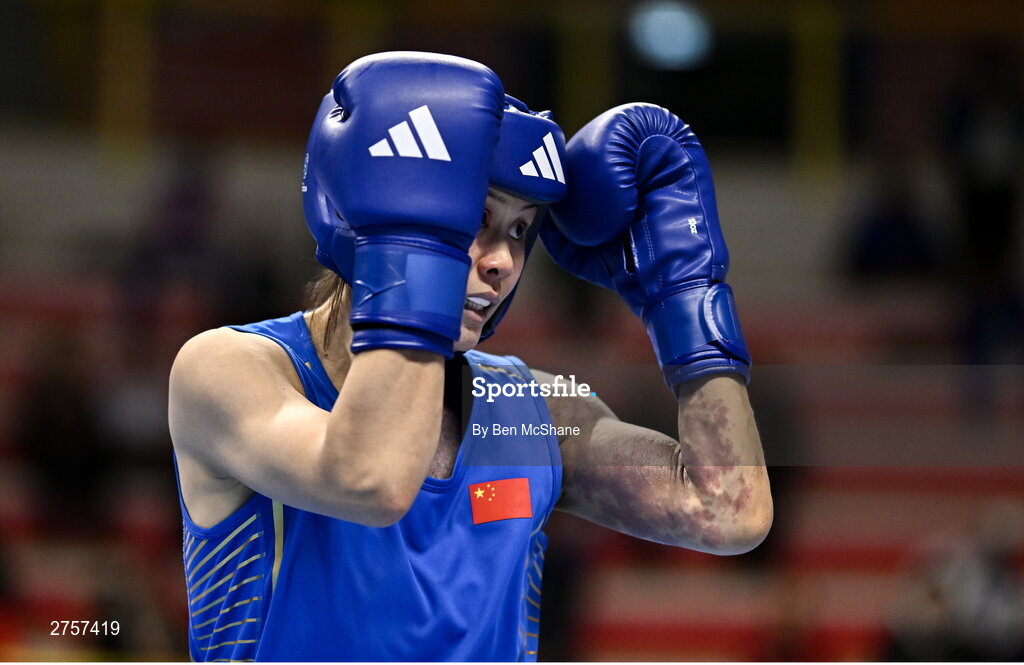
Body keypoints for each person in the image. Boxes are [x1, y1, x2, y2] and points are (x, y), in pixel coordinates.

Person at [168, 51, 772, 662]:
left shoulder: (531, 409)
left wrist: (685, 301)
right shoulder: (231, 371)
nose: (503, 262)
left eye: (520, 229)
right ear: (388, 201)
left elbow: (728, 512)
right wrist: (413, 254)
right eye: (478, 218)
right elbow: (370, 477)